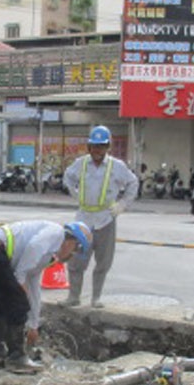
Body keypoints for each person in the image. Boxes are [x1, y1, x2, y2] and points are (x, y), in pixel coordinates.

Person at [0, 220, 92, 374]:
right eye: (75, 250)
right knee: (18, 304)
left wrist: (33, 325)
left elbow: (34, 287)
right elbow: (33, 248)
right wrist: (21, 282)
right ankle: (16, 358)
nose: (72, 255)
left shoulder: (45, 254)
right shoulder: (56, 232)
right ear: (72, 241)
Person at [61, 126, 139, 308]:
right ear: (89, 147)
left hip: (105, 219)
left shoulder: (116, 166)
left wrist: (122, 205)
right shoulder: (81, 164)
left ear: (107, 147)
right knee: (76, 261)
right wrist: (76, 194)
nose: (98, 150)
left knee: (103, 261)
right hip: (83, 220)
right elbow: (68, 177)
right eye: (94, 146)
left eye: (102, 146)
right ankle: (74, 297)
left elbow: (132, 183)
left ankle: (96, 298)